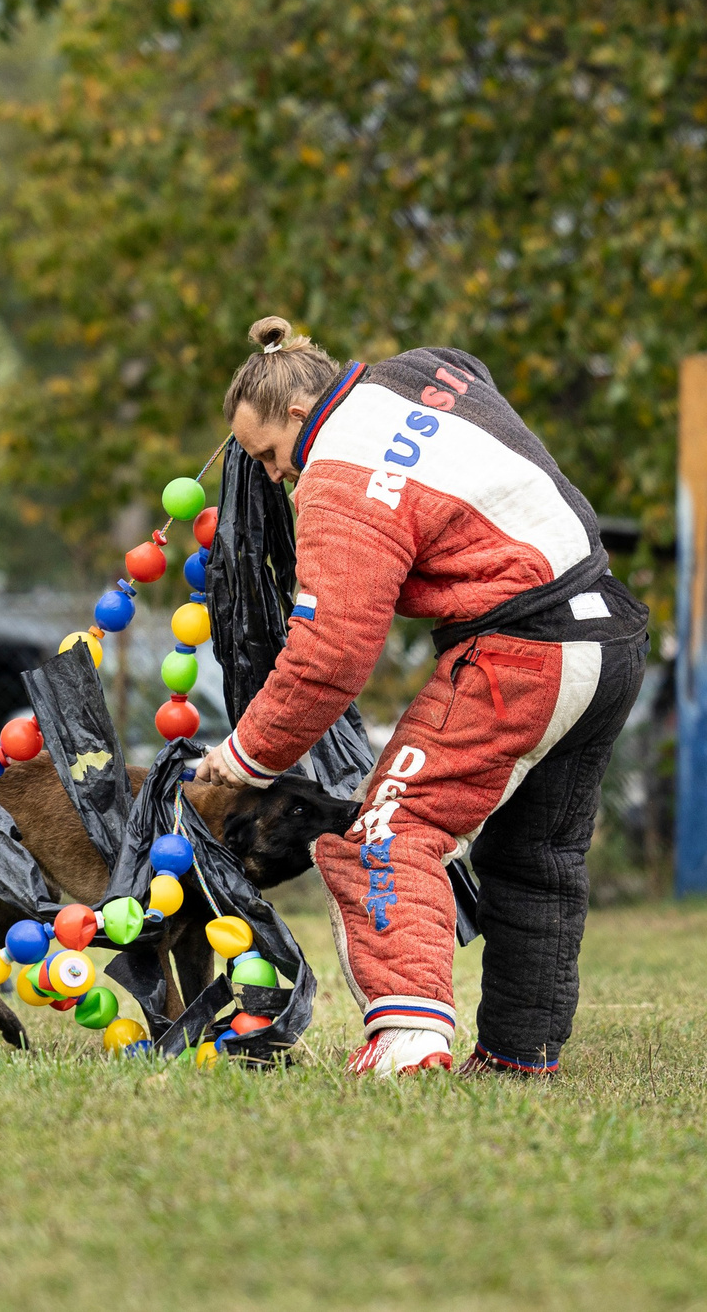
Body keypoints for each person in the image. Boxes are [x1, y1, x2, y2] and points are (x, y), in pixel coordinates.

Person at [194, 316, 649, 1077]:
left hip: (521, 652)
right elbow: (460, 371)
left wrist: (245, 757)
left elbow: (330, 657)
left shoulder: (337, 480)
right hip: (610, 632)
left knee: (384, 832)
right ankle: (518, 1056)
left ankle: (408, 1038)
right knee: (536, 856)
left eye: (269, 455)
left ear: (301, 416)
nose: (272, 476)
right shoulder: (422, 372)